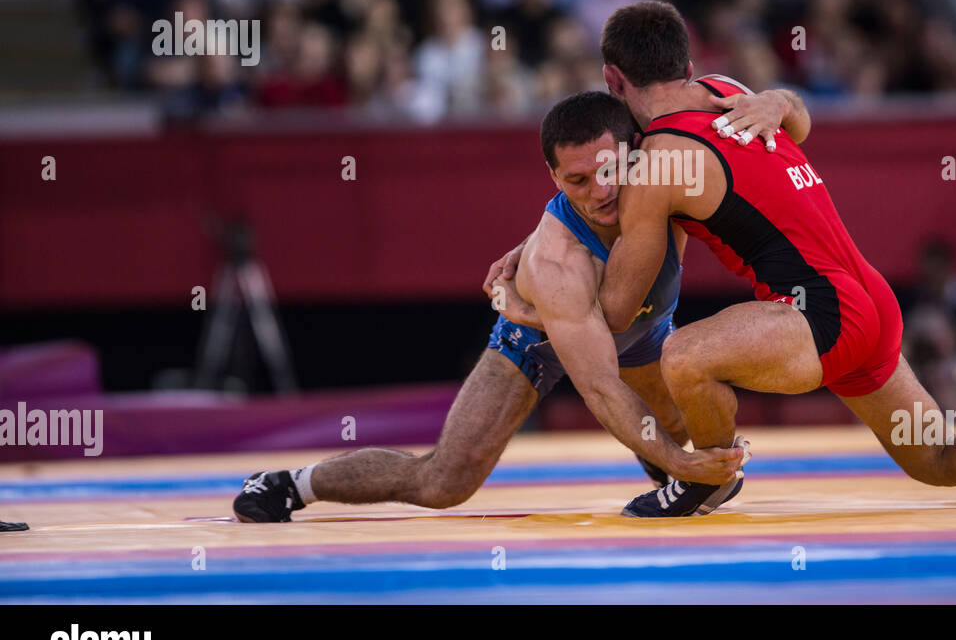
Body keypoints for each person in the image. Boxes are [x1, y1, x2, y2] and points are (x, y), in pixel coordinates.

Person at [575, 1, 956, 516]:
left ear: (612, 78)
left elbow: (621, 309)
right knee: (933, 453)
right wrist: (781, 99)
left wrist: (550, 288)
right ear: (689, 65)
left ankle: (708, 478)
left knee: (683, 356)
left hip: (817, 315)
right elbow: (798, 119)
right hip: (870, 301)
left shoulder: (657, 162)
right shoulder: (727, 91)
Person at [232, 85, 801, 522]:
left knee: (683, 438)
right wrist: (682, 465)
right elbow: (599, 388)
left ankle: (664, 464)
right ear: (551, 177)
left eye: (608, 172)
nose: (600, 193)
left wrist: (776, 100)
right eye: (576, 183)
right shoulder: (555, 263)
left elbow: (773, 117)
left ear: (635, 150)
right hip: (538, 339)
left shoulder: (665, 164)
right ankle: (292, 483)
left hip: (640, 332)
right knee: (444, 482)